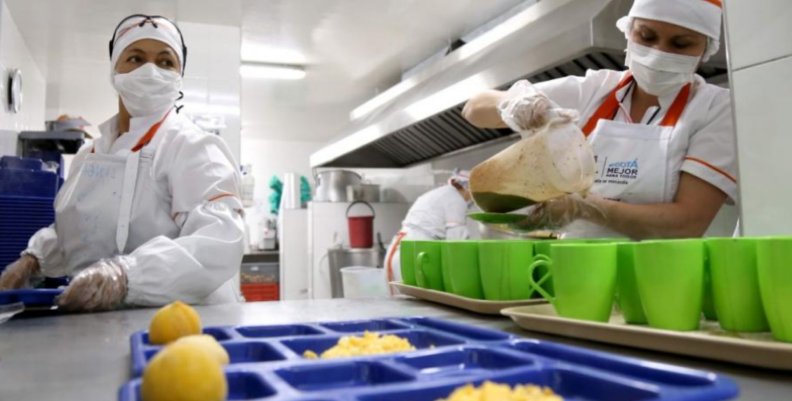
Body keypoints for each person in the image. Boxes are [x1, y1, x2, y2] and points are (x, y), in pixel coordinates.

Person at [0, 15, 245, 311]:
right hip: (103, 323)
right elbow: (79, 228)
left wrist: (125, 276)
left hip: (186, 324)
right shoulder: (89, 155)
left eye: (166, 62)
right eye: (135, 58)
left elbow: (220, 239)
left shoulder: (193, 147)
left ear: (179, 75)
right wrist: (33, 259)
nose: (150, 71)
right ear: (115, 70)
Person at [462, 0, 736, 239]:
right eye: (646, 36)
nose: (657, 52)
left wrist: (584, 207)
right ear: (629, 32)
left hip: (659, 282)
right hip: (576, 273)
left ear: (706, 50)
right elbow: (474, 107)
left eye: (680, 43)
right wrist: (515, 103)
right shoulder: (594, 88)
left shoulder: (714, 108)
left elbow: (686, 225)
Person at [384, 170, 472, 286]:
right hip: (417, 254)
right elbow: (456, 243)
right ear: (467, 187)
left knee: (401, 302)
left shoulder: (441, 193)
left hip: (401, 250)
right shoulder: (456, 199)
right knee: (416, 301)